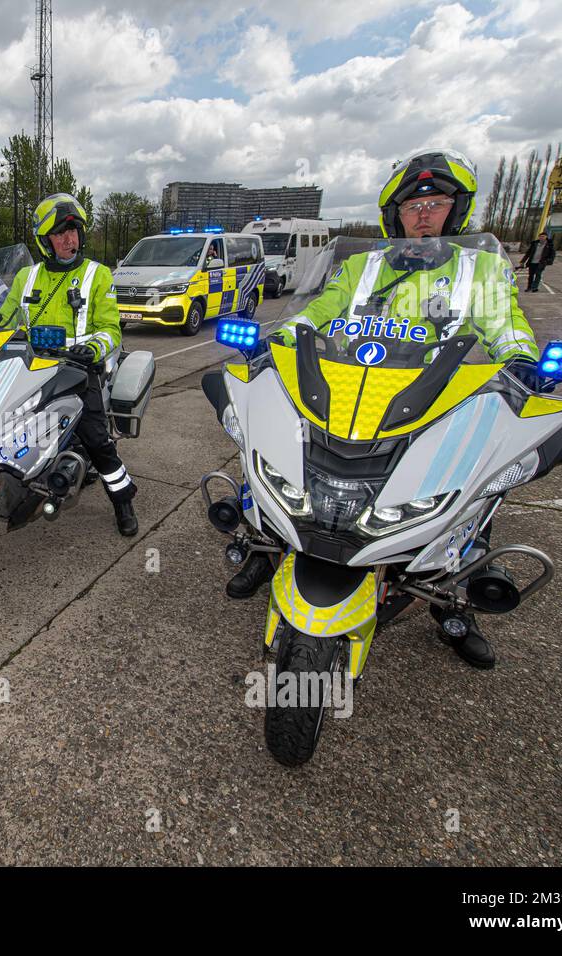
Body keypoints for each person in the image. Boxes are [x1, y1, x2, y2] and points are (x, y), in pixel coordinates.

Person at [224, 148, 542, 670]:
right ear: (393, 214)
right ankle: (266, 548)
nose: (423, 215)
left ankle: (454, 607)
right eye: (413, 206)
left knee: (469, 493)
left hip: (435, 406)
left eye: (435, 204)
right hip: (348, 396)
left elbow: (505, 323)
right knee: (276, 459)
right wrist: (274, 341)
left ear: (455, 212)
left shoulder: (477, 268)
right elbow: (317, 312)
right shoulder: (362, 266)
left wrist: (521, 359)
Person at [0, 192, 138, 536]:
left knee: (96, 438)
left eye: (74, 231)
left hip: (78, 372)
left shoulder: (98, 275)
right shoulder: (25, 278)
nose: (69, 239)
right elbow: (3, 320)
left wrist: (93, 348)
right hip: (29, 370)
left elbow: (111, 327)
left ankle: (123, 500)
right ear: (45, 240)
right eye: (60, 232)